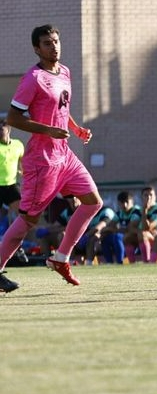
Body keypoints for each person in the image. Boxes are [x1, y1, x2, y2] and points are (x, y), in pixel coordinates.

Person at [0, 24, 103, 293]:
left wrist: (75, 128)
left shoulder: (65, 71)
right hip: (42, 160)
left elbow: (61, 108)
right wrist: (48, 130)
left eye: (55, 41)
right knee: (27, 221)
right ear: (37, 48)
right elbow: (12, 118)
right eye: (46, 43)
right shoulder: (33, 79)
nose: (53, 46)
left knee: (93, 202)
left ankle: (61, 258)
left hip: (64, 155)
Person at [100, 191, 141, 264]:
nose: (124, 205)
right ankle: (109, 263)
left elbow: (129, 228)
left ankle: (120, 262)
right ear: (119, 203)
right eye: (122, 203)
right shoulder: (119, 213)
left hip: (135, 238)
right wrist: (114, 230)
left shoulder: (136, 211)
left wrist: (115, 230)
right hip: (124, 236)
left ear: (132, 201)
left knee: (118, 236)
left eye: (127, 202)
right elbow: (109, 227)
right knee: (105, 238)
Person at [0, 119, 24, 221]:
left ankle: (16, 237)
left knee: (21, 215)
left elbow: (22, 163)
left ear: (8, 129)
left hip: (11, 185)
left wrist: (23, 171)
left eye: (1, 129)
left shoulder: (18, 145)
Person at [138, 186, 157, 263]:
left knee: (143, 234)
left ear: (155, 197)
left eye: (151, 195)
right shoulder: (139, 210)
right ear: (142, 197)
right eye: (146, 195)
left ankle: (147, 262)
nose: (148, 197)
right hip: (149, 237)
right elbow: (138, 228)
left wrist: (144, 212)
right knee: (127, 238)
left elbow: (147, 228)